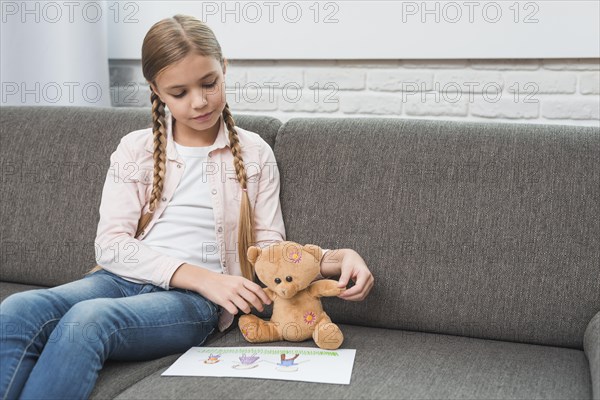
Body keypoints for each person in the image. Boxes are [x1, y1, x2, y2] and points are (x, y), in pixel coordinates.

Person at [0, 14, 374, 400]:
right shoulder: (135, 149)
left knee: (89, 320)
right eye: (179, 92)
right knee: (17, 309)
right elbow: (111, 245)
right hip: (118, 279)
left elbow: (269, 251)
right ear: (156, 90)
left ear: (224, 68)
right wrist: (199, 275)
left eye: (209, 83)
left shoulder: (255, 153)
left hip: (195, 304)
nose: (199, 101)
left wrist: (338, 256)